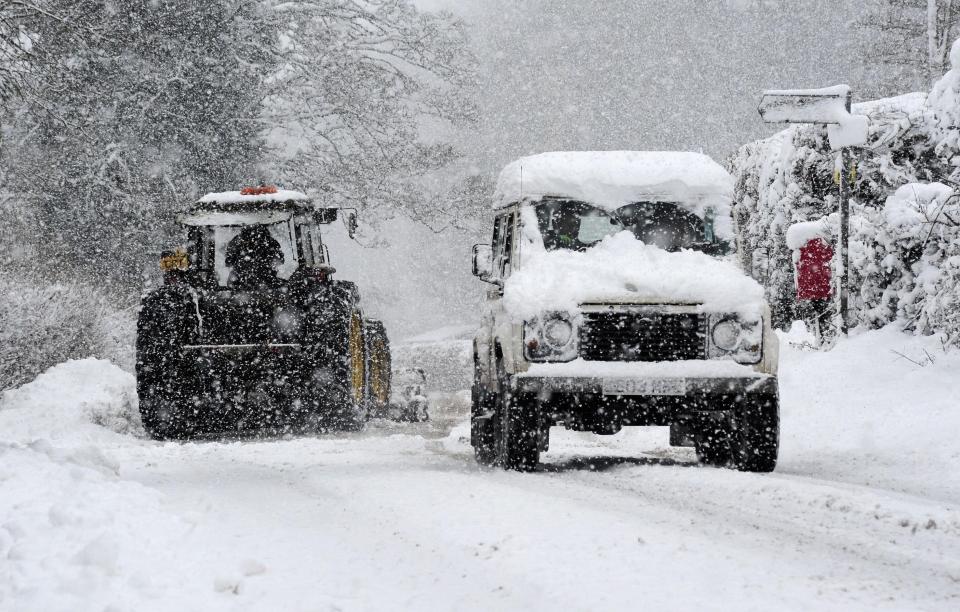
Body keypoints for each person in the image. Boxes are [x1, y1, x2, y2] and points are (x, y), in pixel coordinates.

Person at [225, 225, 285, 290]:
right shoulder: (270, 242)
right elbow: (279, 260)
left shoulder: (237, 241)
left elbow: (229, 262)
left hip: (242, 284)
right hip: (265, 283)